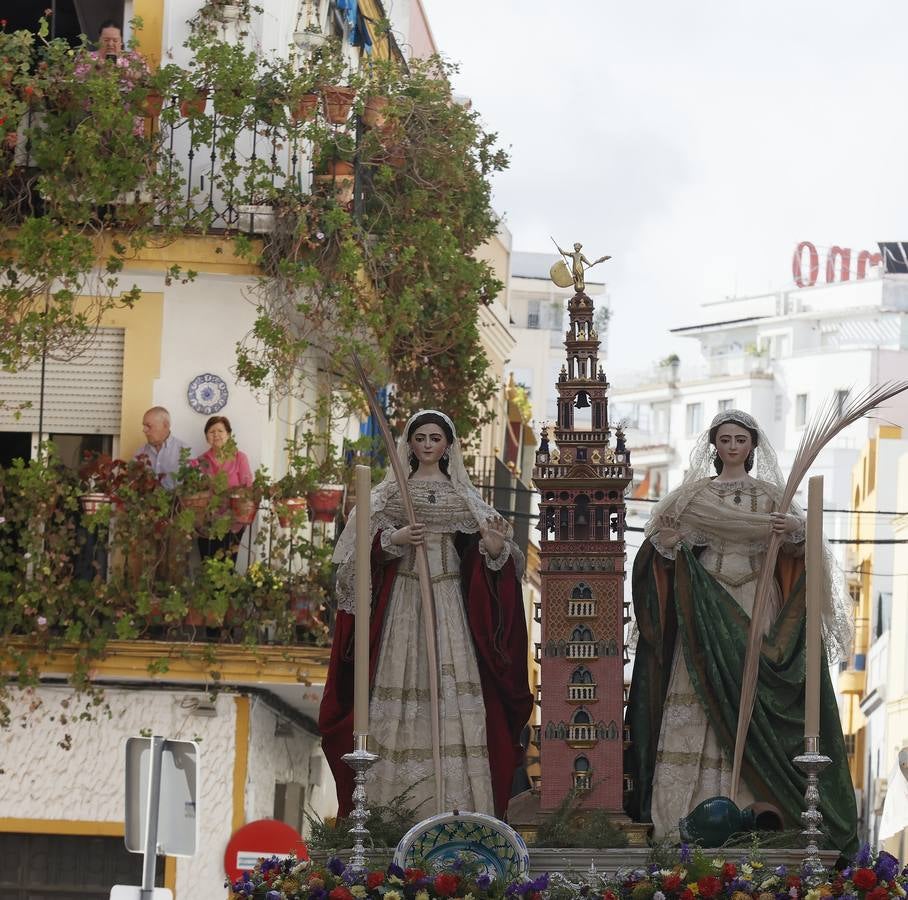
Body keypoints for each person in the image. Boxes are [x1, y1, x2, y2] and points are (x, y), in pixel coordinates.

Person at [624, 409, 858, 852]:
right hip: (704, 611)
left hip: (756, 601)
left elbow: (804, 550)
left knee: (754, 702)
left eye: (740, 439)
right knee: (696, 698)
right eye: (725, 439)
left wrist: (794, 530)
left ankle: (750, 809)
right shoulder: (689, 498)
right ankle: (681, 818)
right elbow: (657, 552)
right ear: (714, 445)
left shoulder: (773, 497)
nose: (732, 446)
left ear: (752, 446)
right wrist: (668, 547)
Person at [319, 409, 533, 821]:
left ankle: (455, 807)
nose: (429, 444)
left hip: (449, 600)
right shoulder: (390, 496)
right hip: (404, 598)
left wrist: (491, 548)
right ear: (411, 445)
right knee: (400, 685)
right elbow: (353, 560)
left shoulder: (464, 499)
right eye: (421, 438)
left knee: (452, 691)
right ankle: (387, 814)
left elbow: (497, 560)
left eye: (436, 437)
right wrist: (392, 540)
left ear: (448, 445)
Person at [193, 415, 253, 560]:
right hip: (207, 522)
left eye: (220, 431)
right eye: (211, 432)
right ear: (206, 436)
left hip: (233, 522)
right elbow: (195, 490)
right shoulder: (201, 461)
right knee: (207, 563)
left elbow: (248, 488)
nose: (216, 435)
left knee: (228, 565)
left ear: (228, 434)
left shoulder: (240, 458)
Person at [134, 406, 189, 490]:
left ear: (165, 425)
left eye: (148, 426)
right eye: (144, 426)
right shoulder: (140, 452)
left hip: (176, 502)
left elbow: (194, 487)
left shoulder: (184, 451)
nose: (144, 430)